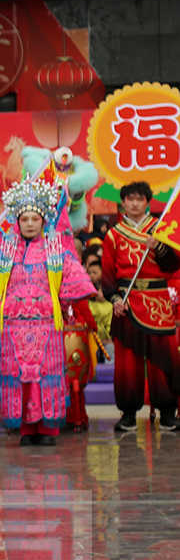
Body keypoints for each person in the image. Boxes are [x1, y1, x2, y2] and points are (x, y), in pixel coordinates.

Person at [0, 177, 96, 445]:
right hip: (14, 327)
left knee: (46, 376)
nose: (30, 224)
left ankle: (47, 429)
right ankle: (26, 428)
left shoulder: (55, 250)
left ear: (43, 221)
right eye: (25, 219)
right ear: (17, 221)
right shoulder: (5, 253)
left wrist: (58, 303)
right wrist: (2, 306)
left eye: (35, 219)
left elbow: (75, 280)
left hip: (47, 325)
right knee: (19, 377)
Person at [101, 181, 179, 434]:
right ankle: (128, 415)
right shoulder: (113, 235)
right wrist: (115, 299)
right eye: (130, 199)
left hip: (158, 301)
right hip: (127, 301)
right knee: (128, 362)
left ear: (147, 203)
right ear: (123, 202)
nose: (134, 204)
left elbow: (173, 265)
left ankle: (168, 414)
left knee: (164, 360)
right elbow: (107, 275)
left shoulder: (160, 229)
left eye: (139, 199)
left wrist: (159, 248)